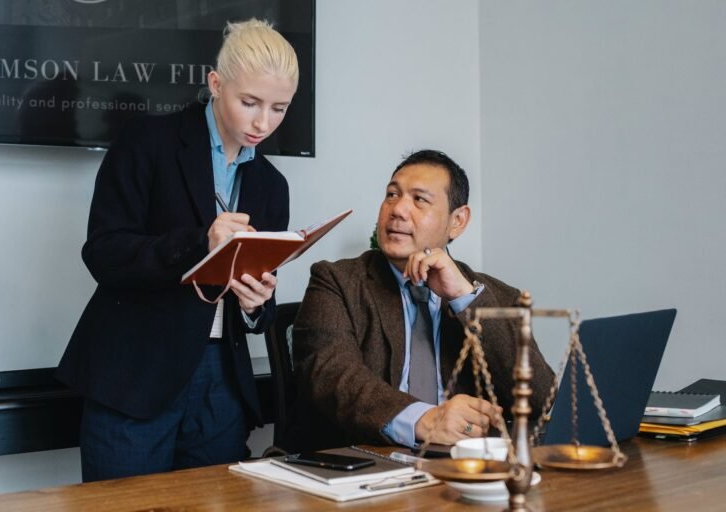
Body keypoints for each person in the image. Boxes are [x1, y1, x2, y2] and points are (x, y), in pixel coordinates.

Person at [57, 19, 299, 481]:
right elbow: (103, 254)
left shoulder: (272, 185)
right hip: (135, 374)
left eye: (279, 108)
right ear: (215, 83)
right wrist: (199, 242)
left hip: (221, 383)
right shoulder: (147, 141)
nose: (262, 122)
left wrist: (257, 304)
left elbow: (258, 304)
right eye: (249, 102)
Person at [285, 149, 555, 452]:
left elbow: (541, 399)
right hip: (364, 465)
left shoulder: (499, 298)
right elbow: (333, 379)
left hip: (464, 469)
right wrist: (425, 419)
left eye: (419, 199)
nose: (397, 209)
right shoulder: (336, 282)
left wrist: (463, 299)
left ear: (458, 221)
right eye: (391, 195)